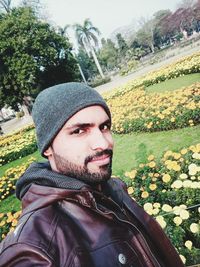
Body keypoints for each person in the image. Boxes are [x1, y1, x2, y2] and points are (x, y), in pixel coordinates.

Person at [0, 82, 184, 267]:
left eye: (104, 127)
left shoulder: (113, 190)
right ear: (48, 147)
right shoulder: (34, 248)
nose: (103, 143)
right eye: (79, 131)